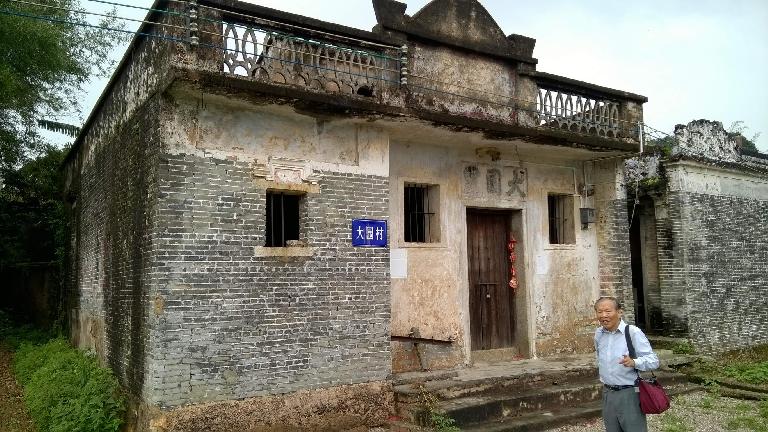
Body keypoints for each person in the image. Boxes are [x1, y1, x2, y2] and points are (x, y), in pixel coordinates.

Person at [594, 296, 659, 432]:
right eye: (599, 312)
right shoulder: (599, 334)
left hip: (629, 393)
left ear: (619, 312)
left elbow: (653, 361)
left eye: (608, 311)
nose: (603, 315)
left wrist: (634, 362)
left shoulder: (633, 332)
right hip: (608, 393)